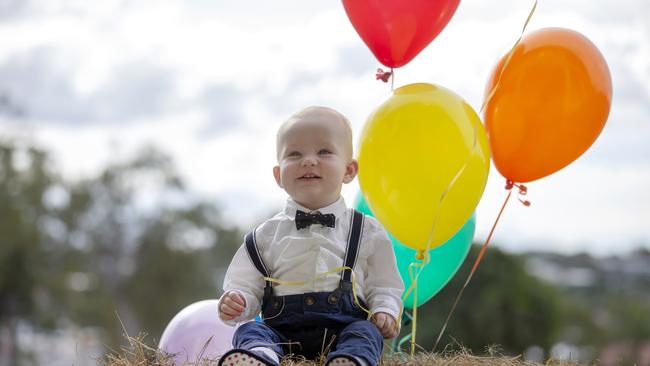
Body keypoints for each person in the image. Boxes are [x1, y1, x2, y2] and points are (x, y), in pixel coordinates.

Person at [217, 106, 404, 366]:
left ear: (349, 170)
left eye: (324, 151)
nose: (308, 160)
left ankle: (350, 360)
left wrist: (385, 310)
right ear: (278, 175)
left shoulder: (367, 232)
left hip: (345, 332)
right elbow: (245, 284)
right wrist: (238, 300)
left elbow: (385, 284)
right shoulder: (264, 236)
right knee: (248, 331)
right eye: (294, 154)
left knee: (366, 333)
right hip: (281, 334)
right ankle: (262, 357)